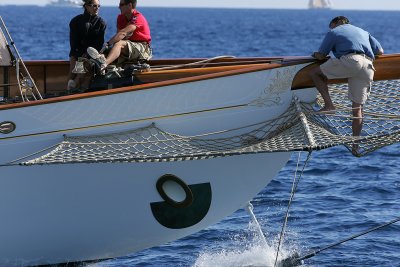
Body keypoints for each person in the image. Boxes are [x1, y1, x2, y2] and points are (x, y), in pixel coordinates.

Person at [309, 16, 383, 139]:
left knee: (315, 73)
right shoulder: (363, 31)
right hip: (368, 66)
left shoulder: (334, 32)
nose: (331, 28)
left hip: (351, 61)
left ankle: (329, 106)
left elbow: (322, 56)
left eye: (331, 26)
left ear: (337, 23)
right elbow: (380, 51)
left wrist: (315, 54)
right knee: (357, 109)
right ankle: (355, 143)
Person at [87, 0, 152, 72]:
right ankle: (101, 60)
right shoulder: (120, 18)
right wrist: (106, 50)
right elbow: (120, 36)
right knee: (110, 49)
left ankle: (103, 64)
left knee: (119, 44)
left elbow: (123, 33)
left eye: (121, 5)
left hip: (143, 48)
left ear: (130, 5)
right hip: (128, 45)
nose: (119, 7)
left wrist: (107, 44)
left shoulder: (138, 17)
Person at [68, 0, 107, 91]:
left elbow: (98, 43)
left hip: (92, 54)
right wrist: (77, 55)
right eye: (94, 5)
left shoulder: (101, 23)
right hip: (76, 52)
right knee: (73, 69)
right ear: (86, 6)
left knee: (81, 69)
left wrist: (86, 54)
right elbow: (73, 42)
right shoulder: (76, 21)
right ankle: (69, 88)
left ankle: (71, 89)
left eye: (98, 6)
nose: (97, 8)